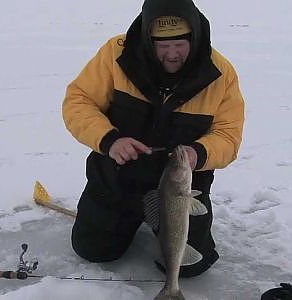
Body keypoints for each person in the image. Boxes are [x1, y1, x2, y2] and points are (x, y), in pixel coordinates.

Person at [62, 0, 245, 277]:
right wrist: (110, 140)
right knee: (93, 249)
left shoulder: (219, 73)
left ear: (194, 37)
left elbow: (228, 134)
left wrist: (199, 153)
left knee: (190, 266)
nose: (172, 54)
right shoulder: (116, 54)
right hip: (118, 180)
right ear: (148, 39)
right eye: (163, 45)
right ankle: (126, 219)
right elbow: (78, 102)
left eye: (180, 44)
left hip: (178, 190)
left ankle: (164, 231)